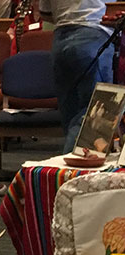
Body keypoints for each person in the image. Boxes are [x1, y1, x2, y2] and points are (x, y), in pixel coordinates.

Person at [39, 0, 113, 153]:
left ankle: (68, 170)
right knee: (93, 114)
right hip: (92, 35)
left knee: (70, 113)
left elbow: (45, 13)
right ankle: (78, 169)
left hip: (61, 39)